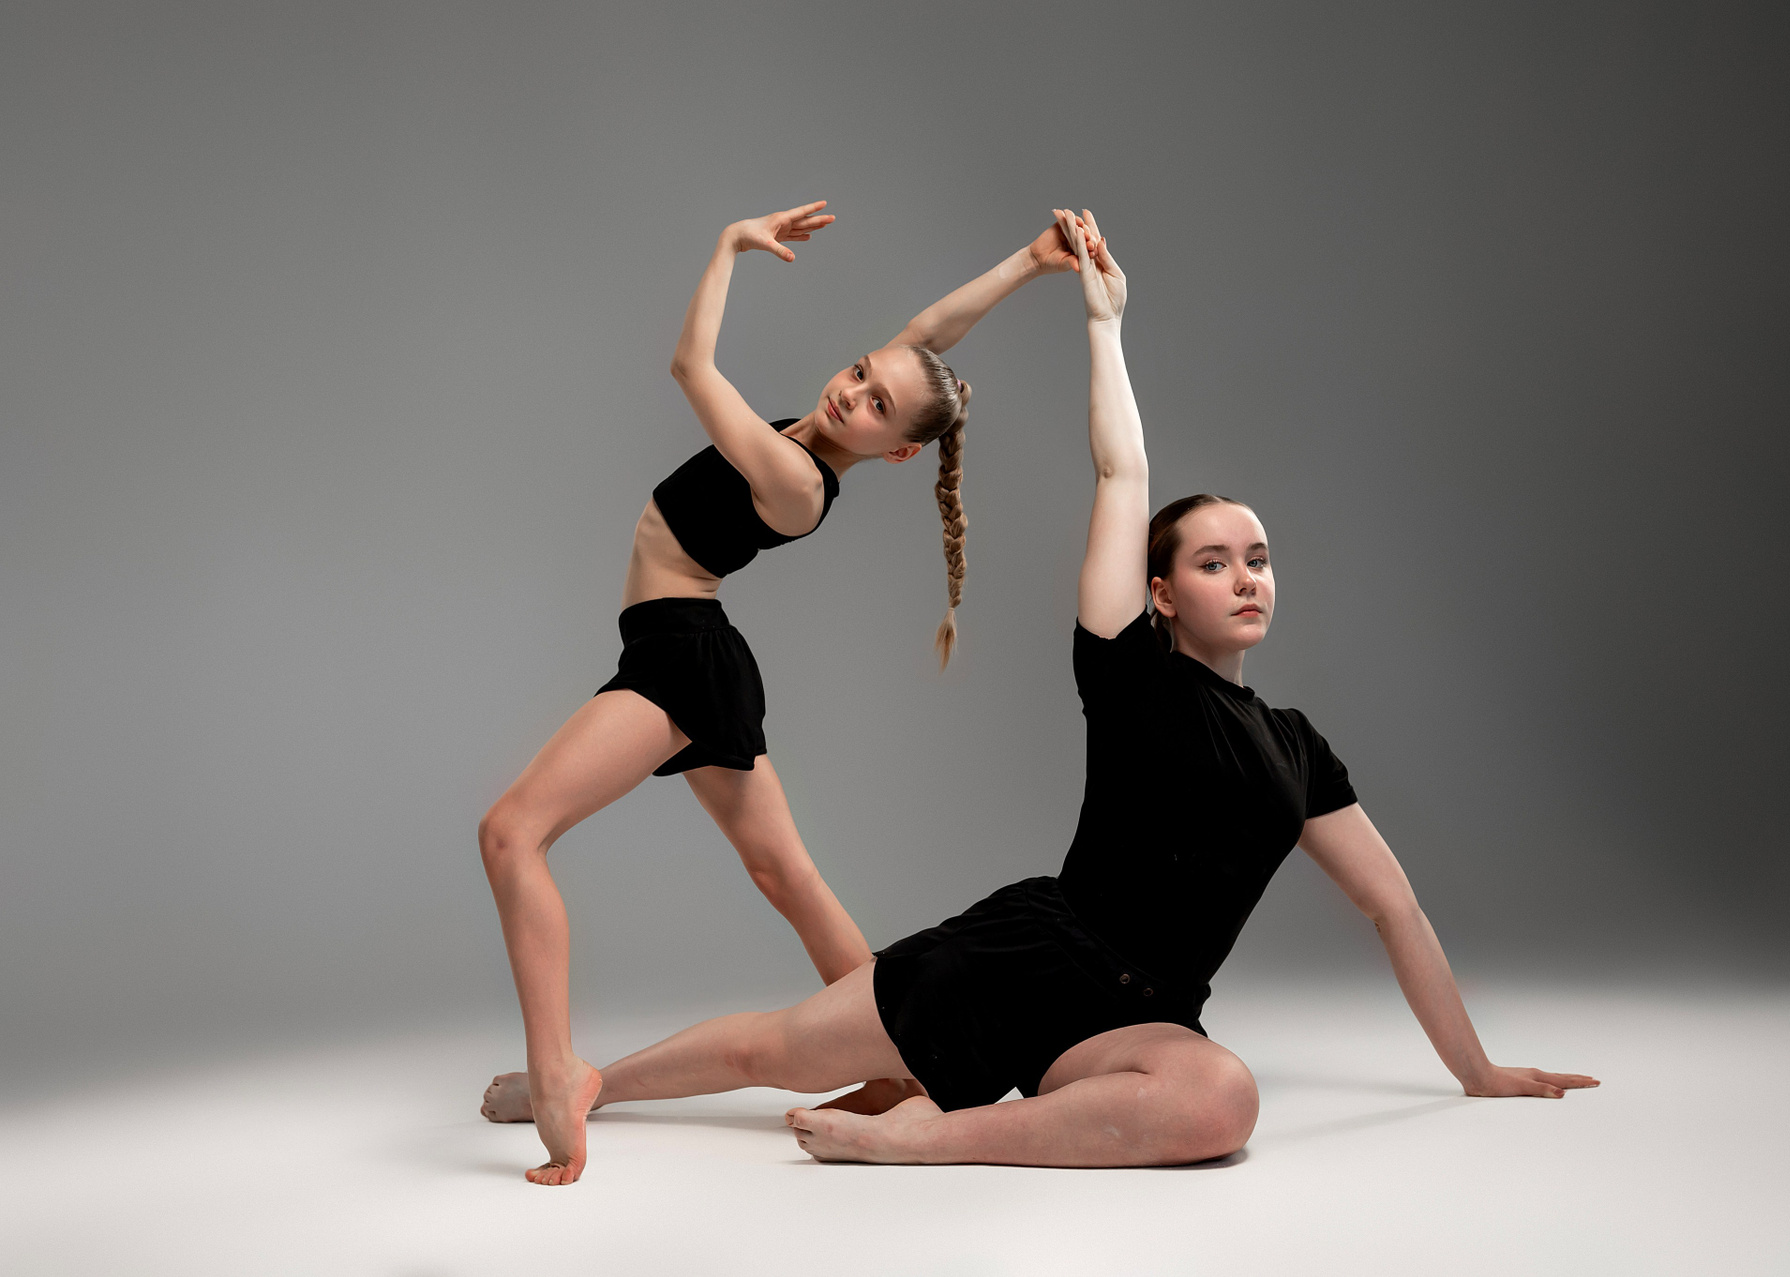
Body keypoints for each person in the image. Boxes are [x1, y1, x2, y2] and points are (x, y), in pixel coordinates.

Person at [481, 209, 1597, 1175]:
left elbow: (1394, 907)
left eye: (1259, 559)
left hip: (1141, 1014)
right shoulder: (1127, 665)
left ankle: (920, 1135)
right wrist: (1097, 318)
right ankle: (583, 1081)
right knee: (772, 1047)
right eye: (1215, 562)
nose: (1247, 577)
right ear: (1158, 593)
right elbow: (1119, 468)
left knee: (1223, 1100)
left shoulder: (1299, 749)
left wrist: (1479, 1068)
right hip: (1026, 957)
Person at [479, 203, 1083, 1185]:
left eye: (878, 407)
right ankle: (905, 1061)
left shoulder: (798, 481)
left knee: (512, 833)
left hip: (680, 657)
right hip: (690, 650)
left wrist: (727, 244)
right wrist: (1029, 260)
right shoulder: (821, 421)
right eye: (860, 373)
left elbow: (690, 367)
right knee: (785, 875)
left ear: (897, 450)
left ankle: (558, 1076)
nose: (853, 395)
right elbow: (928, 336)